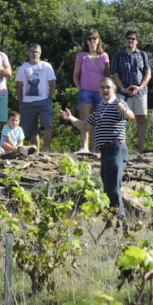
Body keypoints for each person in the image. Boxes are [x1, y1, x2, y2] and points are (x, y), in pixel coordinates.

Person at [60, 78, 135, 219]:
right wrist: (71, 118)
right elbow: (86, 126)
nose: (105, 90)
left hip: (116, 148)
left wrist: (124, 109)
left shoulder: (117, 103)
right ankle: (113, 218)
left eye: (107, 87)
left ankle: (120, 220)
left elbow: (131, 116)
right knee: (107, 185)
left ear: (114, 89)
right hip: (105, 151)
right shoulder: (101, 107)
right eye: (102, 87)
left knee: (112, 185)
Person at [110, 30, 152, 152]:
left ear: (137, 41)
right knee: (121, 120)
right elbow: (114, 73)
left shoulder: (143, 55)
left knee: (141, 120)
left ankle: (141, 148)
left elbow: (148, 73)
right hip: (123, 93)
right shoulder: (118, 55)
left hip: (140, 93)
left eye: (133, 38)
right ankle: (121, 147)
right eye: (128, 38)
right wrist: (123, 88)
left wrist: (141, 87)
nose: (130, 40)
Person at [73, 29, 111, 153]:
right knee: (84, 119)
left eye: (94, 38)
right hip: (86, 91)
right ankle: (84, 147)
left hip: (100, 92)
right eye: (89, 39)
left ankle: (95, 148)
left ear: (98, 40)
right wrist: (80, 88)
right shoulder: (82, 56)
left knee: (97, 120)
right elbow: (75, 75)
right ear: (86, 41)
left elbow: (107, 76)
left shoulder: (104, 56)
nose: (92, 41)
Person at [15, 42, 56, 152]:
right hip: (27, 102)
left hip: (44, 100)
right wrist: (21, 102)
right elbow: (18, 86)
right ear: (28, 53)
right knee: (32, 130)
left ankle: (47, 148)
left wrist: (50, 98)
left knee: (48, 124)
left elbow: (52, 83)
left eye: (36, 52)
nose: (34, 54)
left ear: (40, 53)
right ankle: (36, 151)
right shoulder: (23, 68)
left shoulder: (46, 66)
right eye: (32, 52)